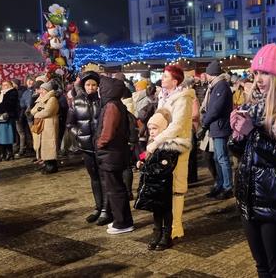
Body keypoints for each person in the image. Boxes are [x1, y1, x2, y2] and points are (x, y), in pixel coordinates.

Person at [229, 44, 276, 277]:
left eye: (266, 73)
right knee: (260, 265)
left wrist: (253, 133)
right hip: (248, 197)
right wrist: (237, 135)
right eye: (257, 73)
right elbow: (241, 153)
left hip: (274, 200)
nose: (259, 79)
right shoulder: (251, 104)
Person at [136, 108, 186, 250]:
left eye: (155, 128)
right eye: (150, 128)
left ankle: (166, 235)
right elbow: (150, 160)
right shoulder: (153, 144)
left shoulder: (169, 146)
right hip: (153, 184)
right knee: (156, 210)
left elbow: (164, 167)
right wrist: (142, 162)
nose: (151, 131)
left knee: (165, 209)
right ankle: (156, 233)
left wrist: (144, 168)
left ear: (164, 129)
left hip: (163, 184)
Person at [154, 65, 194, 240]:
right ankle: (164, 226)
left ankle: (176, 226)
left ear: (175, 81)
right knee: (163, 187)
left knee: (177, 187)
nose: (162, 79)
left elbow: (177, 125)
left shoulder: (183, 99)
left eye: (165, 77)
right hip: (162, 145)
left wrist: (157, 140)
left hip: (177, 146)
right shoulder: (162, 96)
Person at [66, 72, 110, 225]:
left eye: (93, 85)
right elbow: (69, 124)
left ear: (98, 86)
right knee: (95, 179)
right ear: (83, 86)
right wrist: (79, 135)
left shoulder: (103, 102)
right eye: (88, 85)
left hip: (102, 147)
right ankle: (98, 207)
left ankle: (106, 209)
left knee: (105, 179)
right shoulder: (76, 102)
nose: (90, 87)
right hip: (87, 148)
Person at [96, 76, 134, 235]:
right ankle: (123, 220)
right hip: (115, 152)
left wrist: (99, 143)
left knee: (115, 189)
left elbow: (108, 131)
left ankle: (122, 222)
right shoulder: (117, 104)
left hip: (111, 153)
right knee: (117, 187)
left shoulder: (111, 106)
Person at [199, 60, 233, 200]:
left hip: (219, 126)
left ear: (210, 74)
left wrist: (204, 124)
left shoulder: (221, 86)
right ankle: (220, 184)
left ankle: (227, 187)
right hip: (216, 126)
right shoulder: (216, 86)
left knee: (222, 158)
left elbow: (215, 109)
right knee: (216, 157)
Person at [30, 82, 60, 174]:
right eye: (41, 89)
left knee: (49, 144)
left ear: (47, 90)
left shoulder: (52, 99)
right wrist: (39, 111)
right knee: (43, 144)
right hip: (42, 124)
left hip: (49, 124)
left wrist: (37, 114)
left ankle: (51, 165)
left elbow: (48, 112)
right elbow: (32, 111)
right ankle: (47, 164)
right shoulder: (40, 99)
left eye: (43, 90)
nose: (41, 91)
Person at [0, 80, 19, 163]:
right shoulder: (2, 93)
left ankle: (9, 152)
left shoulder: (12, 92)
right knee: (0, 137)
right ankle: (2, 153)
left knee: (7, 136)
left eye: (6, 84)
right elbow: (0, 104)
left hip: (7, 117)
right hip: (0, 116)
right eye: (3, 85)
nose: (4, 86)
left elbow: (7, 104)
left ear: (11, 85)